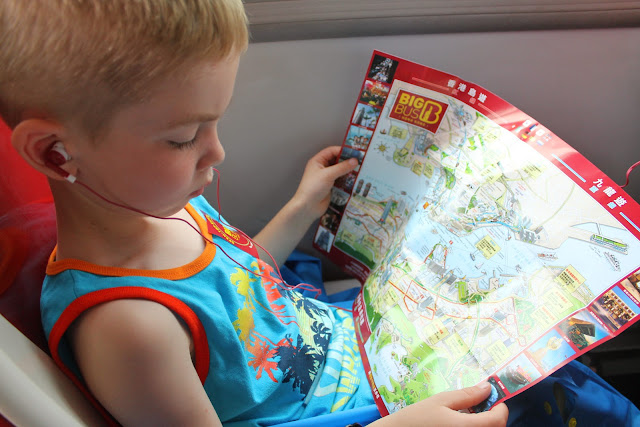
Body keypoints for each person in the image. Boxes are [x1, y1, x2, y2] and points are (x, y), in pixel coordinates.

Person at [0, 1, 510, 425]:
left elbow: (243, 298)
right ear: (54, 154)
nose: (217, 152)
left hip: (350, 346)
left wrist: (300, 208)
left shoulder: (161, 204)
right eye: (183, 138)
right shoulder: (129, 328)